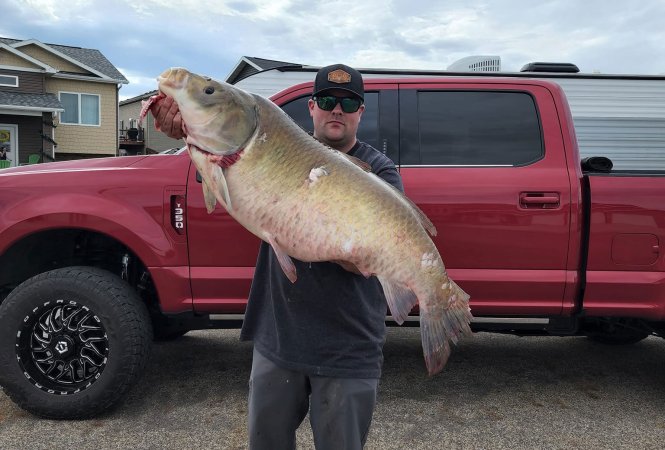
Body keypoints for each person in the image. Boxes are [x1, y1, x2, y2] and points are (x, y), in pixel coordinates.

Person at [150, 64, 403, 450]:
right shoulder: (274, 145)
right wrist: (186, 130)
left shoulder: (380, 172)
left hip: (348, 345)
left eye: (348, 102)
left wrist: (331, 241)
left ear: (360, 112)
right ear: (313, 107)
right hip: (277, 337)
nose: (337, 109)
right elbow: (220, 168)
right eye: (327, 101)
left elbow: (374, 252)